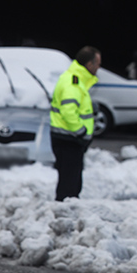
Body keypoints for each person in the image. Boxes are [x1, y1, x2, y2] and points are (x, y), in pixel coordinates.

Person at [50, 46, 101, 201]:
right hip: (69, 139)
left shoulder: (76, 79)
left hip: (69, 139)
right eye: (97, 63)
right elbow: (68, 111)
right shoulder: (73, 81)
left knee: (71, 180)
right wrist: (81, 131)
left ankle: (66, 209)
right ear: (89, 64)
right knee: (69, 184)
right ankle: (64, 212)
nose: (99, 67)